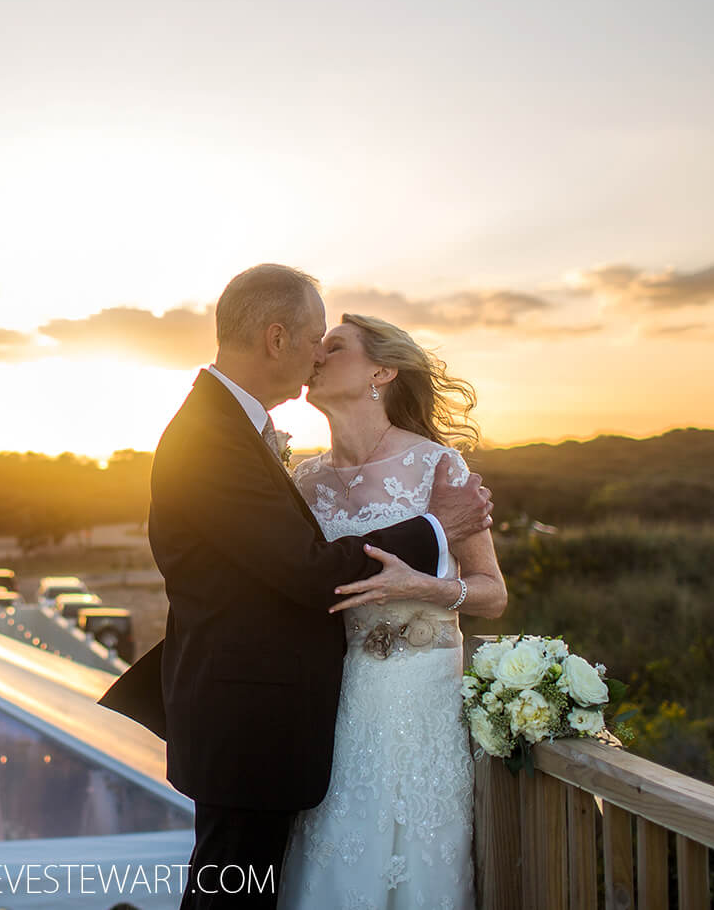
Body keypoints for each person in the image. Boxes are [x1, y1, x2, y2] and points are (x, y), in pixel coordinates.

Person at [98, 265, 493, 909]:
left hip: (291, 720)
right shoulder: (211, 439)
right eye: (316, 338)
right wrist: (434, 526)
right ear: (277, 339)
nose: (317, 356)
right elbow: (312, 573)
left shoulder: (231, 428)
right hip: (245, 725)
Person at [277, 314, 506, 910]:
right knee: (335, 845)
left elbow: (492, 592)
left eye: (335, 347)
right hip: (336, 693)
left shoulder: (437, 467)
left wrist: (426, 587)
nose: (318, 356)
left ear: (381, 370)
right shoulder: (305, 481)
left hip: (419, 695)